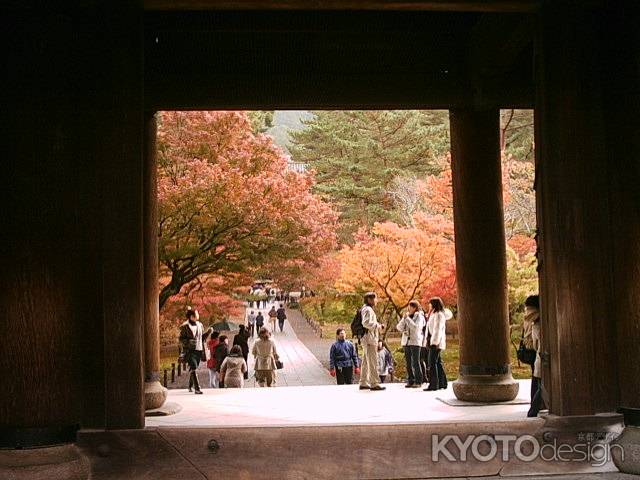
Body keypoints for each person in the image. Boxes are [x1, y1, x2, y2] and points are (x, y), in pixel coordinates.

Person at [179, 308, 213, 395]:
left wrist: (208, 332)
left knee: (194, 367)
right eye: (196, 314)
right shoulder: (185, 326)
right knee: (193, 366)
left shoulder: (199, 325)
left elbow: (201, 338)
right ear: (191, 316)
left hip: (199, 349)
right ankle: (197, 388)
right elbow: (181, 339)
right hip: (189, 350)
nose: (198, 315)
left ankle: (190, 385)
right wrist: (188, 342)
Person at [359, 292, 386, 391]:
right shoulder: (368, 309)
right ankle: (374, 383)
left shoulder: (365, 308)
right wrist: (378, 326)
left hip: (367, 338)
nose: (376, 301)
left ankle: (363, 382)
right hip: (369, 338)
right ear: (369, 300)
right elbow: (365, 323)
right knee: (373, 361)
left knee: (366, 361)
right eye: (375, 299)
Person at [396, 300, 426, 388]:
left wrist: (408, 319)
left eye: (411, 307)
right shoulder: (407, 316)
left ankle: (418, 381)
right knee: (408, 362)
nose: (409, 308)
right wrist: (404, 319)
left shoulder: (419, 317)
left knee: (415, 362)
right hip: (406, 341)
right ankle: (410, 380)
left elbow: (416, 328)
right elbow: (399, 327)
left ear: (416, 308)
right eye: (409, 307)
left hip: (415, 341)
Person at [424, 297, 449, 391]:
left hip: (436, 342)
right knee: (437, 362)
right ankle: (442, 383)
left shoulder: (438, 315)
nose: (429, 305)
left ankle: (434, 384)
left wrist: (434, 342)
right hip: (434, 341)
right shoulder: (434, 314)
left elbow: (437, 329)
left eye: (430, 303)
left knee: (432, 363)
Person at [526, 295, 545, 417]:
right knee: (543, 387)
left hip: (538, 358)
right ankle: (533, 411)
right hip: (542, 357)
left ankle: (533, 410)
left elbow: (534, 344)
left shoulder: (533, 323)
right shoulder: (539, 324)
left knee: (540, 386)